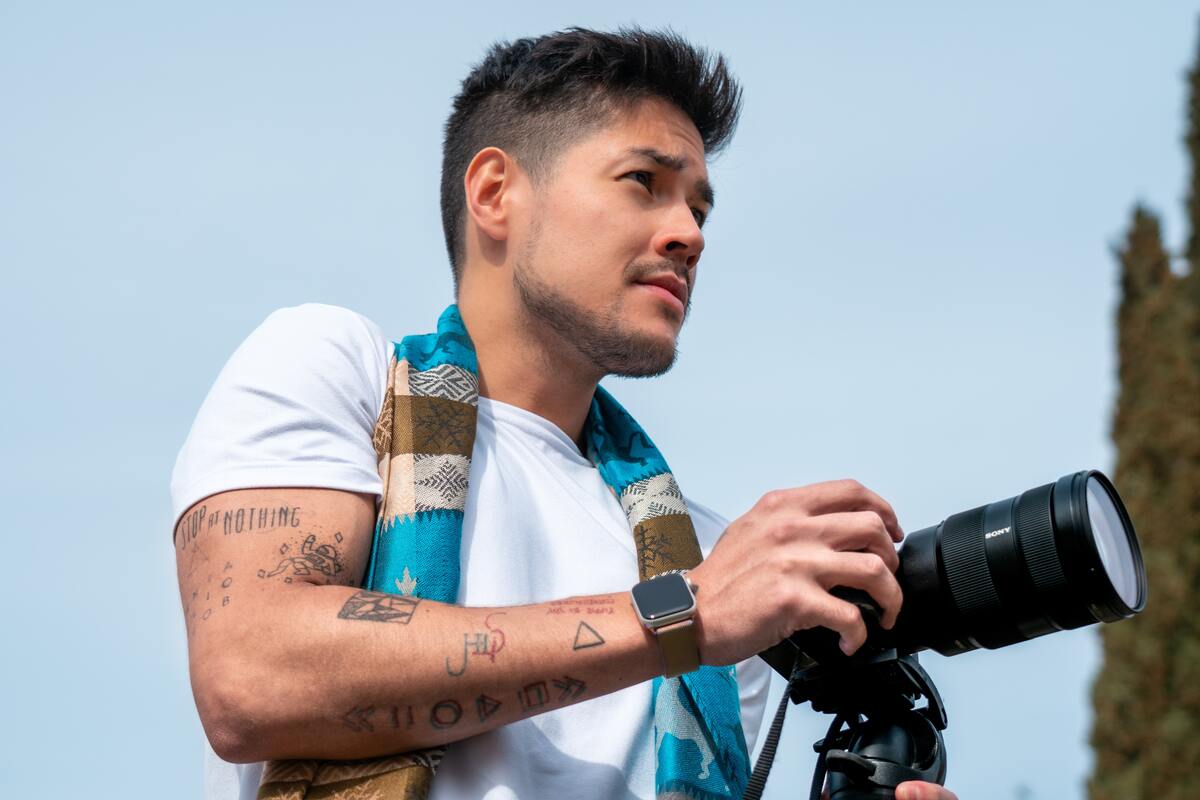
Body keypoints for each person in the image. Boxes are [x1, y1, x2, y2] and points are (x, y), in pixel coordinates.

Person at [171, 27, 958, 800]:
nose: (688, 235)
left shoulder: (710, 554)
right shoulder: (337, 369)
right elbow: (250, 677)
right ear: (494, 193)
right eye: (644, 182)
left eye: (700, 211)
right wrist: (683, 613)